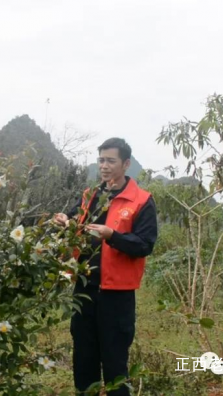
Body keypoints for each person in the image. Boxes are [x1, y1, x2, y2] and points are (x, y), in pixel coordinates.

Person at [53, 138, 158, 396]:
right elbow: (75, 219)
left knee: (114, 362)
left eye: (111, 160)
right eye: (101, 160)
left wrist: (113, 235)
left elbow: (144, 244)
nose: (104, 166)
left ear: (126, 164)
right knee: (84, 357)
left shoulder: (141, 201)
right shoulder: (91, 196)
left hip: (117, 294)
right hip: (85, 288)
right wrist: (64, 219)